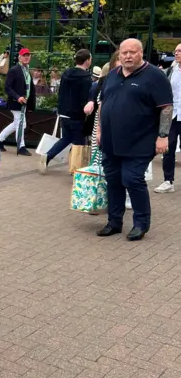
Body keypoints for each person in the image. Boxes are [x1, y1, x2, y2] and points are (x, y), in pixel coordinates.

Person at [96, 39, 173, 241]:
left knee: (131, 179)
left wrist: (163, 136)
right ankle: (114, 222)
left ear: (141, 53)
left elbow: (166, 107)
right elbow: (103, 103)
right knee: (113, 180)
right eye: (124, 52)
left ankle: (141, 224)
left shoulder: (155, 76)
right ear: (119, 54)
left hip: (140, 141)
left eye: (132, 52)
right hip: (111, 141)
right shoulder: (112, 75)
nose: (128, 56)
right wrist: (99, 130)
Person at [39, 49, 92, 174]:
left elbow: (61, 92)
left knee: (66, 138)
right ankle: (76, 169)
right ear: (87, 61)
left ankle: (48, 155)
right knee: (79, 143)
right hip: (77, 115)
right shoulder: (86, 78)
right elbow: (85, 98)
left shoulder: (66, 73)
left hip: (64, 112)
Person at [0, 48, 35, 155]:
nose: (26, 57)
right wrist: (18, 97)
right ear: (19, 57)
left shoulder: (27, 70)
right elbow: (7, 87)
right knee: (21, 123)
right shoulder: (14, 70)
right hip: (16, 101)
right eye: (24, 55)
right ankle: (21, 146)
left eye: (28, 55)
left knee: (17, 123)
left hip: (24, 101)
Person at [155, 43, 181, 193]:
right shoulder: (171, 71)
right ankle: (168, 180)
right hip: (172, 115)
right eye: (176, 51)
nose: (176, 53)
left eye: (179, 51)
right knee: (168, 148)